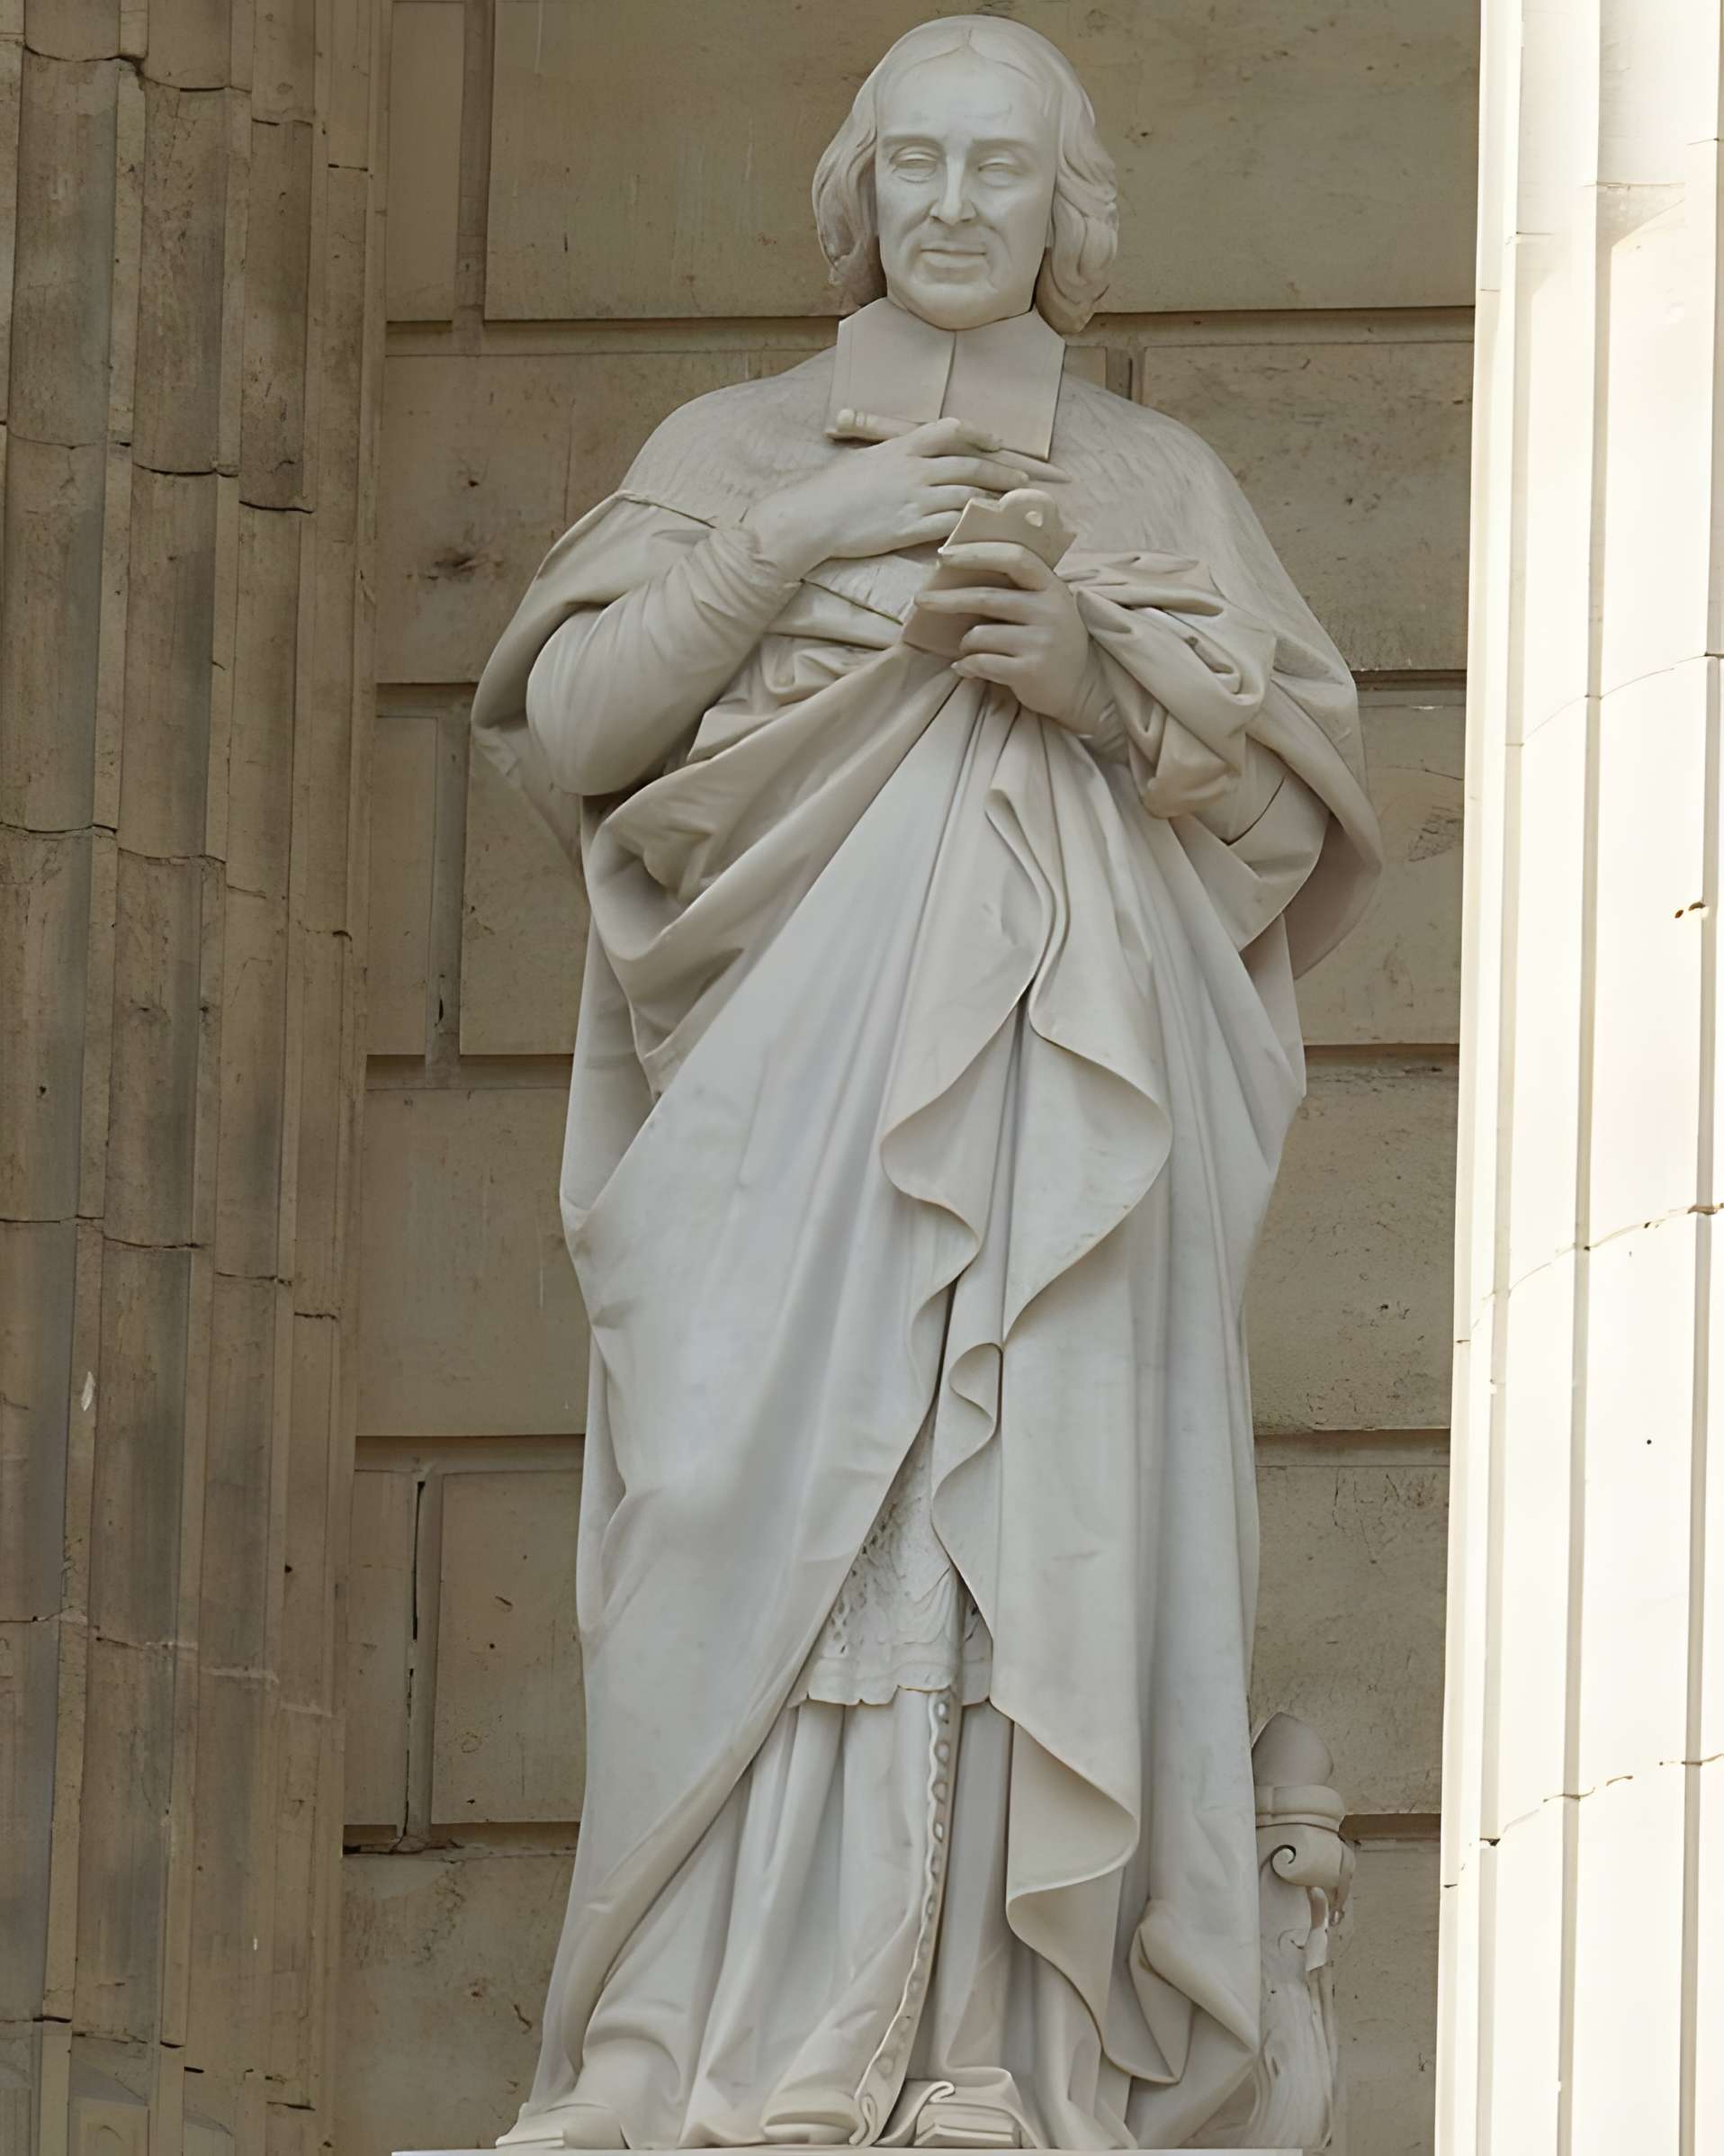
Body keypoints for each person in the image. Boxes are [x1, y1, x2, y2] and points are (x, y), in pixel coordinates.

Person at [471, 18, 1381, 2150]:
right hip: (776, 1129)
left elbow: (1292, 831)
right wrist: (810, 531)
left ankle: (1002, 2045)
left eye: (1001, 169)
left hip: (1066, 1121)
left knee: (1027, 1536)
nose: (956, 206)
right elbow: (574, 728)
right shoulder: (727, 447)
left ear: (1067, 213)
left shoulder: (1159, 486)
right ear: (856, 198)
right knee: (757, 1518)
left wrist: (1096, 688)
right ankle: (712, 2042)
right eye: (918, 164)